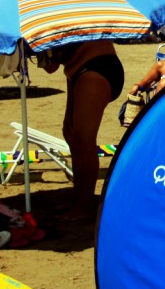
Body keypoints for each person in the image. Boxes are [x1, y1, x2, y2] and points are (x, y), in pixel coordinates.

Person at [36, 39, 124, 223]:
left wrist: (38, 48)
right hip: (77, 71)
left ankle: (85, 205)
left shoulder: (58, 26)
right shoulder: (46, 28)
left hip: (97, 67)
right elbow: (52, 65)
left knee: (84, 139)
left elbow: (51, 66)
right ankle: (79, 198)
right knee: (70, 133)